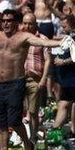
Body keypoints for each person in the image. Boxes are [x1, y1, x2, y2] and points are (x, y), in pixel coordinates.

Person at [0, 9, 63, 150]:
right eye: (3, 21)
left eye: (9, 20)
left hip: (16, 83)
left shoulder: (24, 37)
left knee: (14, 121)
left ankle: (27, 143)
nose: (5, 23)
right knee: (0, 122)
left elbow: (44, 42)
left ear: (16, 23)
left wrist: (62, 42)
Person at [52, 15, 75, 137]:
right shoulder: (70, 36)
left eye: (64, 26)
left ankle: (73, 130)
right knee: (63, 103)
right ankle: (55, 130)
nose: (62, 27)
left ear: (71, 24)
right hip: (67, 77)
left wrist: (63, 62)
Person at [21, 14, 50, 142]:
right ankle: (22, 137)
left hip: (35, 78)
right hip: (20, 78)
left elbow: (48, 60)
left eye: (30, 23)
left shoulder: (42, 39)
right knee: (19, 110)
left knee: (33, 111)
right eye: (25, 23)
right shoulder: (19, 38)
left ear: (35, 24)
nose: (27, 26)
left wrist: (44, 79)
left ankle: (33, 138)